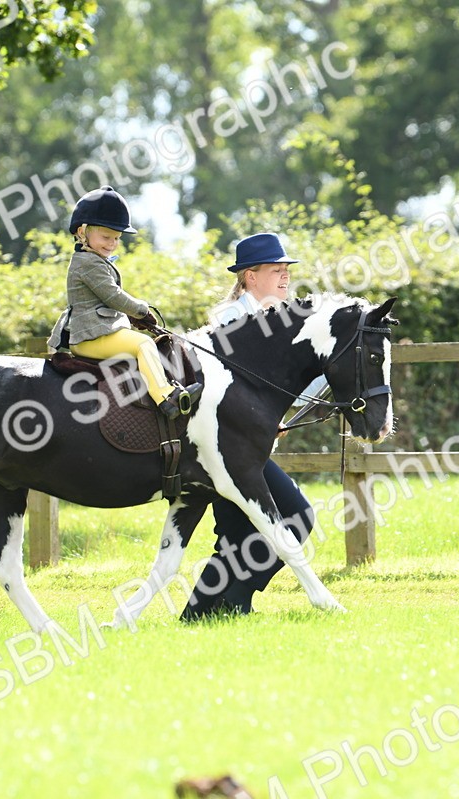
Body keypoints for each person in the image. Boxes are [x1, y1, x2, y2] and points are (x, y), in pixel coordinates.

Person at [181, 232, 325, 620]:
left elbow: (287, 386)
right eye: (275, 270)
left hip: (247, 446)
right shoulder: (229, 321)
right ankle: (235, 599)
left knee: (233, 536)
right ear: (249, 277)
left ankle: (201, 613)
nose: (284, 277)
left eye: (286, 270)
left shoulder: (282, 321)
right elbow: (231, 388)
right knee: (296, 515)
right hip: (224, 447)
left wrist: (333, 371)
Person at [47, 186, 201, 418]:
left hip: (100, 331)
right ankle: (165, 397)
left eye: (117, 238)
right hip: (91, 336)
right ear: (82, 232)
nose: (112, 243)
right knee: (143, 345)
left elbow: (105, 300)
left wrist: (133, 317)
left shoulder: (94, 260)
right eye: (106, 237)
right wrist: (142, 310)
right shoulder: (88, 263)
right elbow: (113, 296)